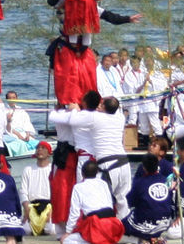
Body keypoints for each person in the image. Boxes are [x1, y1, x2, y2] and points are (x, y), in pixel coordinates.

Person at [67, 96, 131, 219]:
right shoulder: (120, 117)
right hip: (124, 162)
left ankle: (105, 227)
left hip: (108, 164)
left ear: (104, 108)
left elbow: (75, 120)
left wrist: (74, 109)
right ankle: (124, 228)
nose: (98, 107)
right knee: (122, 198)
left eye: (101, 105)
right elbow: (113, 107)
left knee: (104, 199)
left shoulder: (96, 118)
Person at [61, 160, 125, 244]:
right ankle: (101, 242)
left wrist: (68, 232)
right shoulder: (104, 184)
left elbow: (74, 212)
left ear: (82, 173)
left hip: (96, 225)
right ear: (97, 172)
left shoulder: (78, 187)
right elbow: (110, 205)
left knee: (65, 242)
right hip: (112, 225)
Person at [123, 153, 173, 244]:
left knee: (121, 225)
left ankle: (140, 240)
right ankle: (155, 237)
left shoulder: (139, 183)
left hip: (144, 225)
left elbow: (130, 202)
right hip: (164, 224)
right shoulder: (166, 181)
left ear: (144, 168)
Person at [48, 106, 77, 236]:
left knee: (68, 191)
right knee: (61, 191)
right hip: (65, 155)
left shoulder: (63, 114)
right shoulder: (63, 114)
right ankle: (61, 227)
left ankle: (68, 227)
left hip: (73, 155)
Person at [19, 141, 55, 236]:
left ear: (49, 153)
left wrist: (52, 211)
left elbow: (57, 193)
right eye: (38, 148)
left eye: (43, 148)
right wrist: (27, 209)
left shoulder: (53, 169)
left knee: (52, 230)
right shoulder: (28, 169)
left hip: (49, 206)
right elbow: (23, 192)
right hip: (32, 206)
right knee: (25, 231)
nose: (40, 150)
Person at [135, 57, 168, 148]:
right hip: (142, 102)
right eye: (145, 61)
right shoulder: (141, 74)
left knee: (155, 124)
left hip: (152, 102)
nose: (147, 63)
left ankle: (161, 145)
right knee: (143, 125)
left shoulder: (158, 74)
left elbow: (163, 86)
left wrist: (151, 80)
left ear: (153, 62)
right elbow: (136, 89)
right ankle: (145, 145)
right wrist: (143, 82)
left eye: (149, 61)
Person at [3, 90, 39, 156]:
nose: (12, 100)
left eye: (14, 98)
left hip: (24, 133)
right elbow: (5, 127)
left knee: (37, 143)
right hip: (11, 134)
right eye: (10, 98)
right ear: (6, 99)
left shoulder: (21, 111)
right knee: (20, 144)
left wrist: (28, 134)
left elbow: (27, 123)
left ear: (17, 99)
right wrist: (18, 135)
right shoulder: (3, 111)